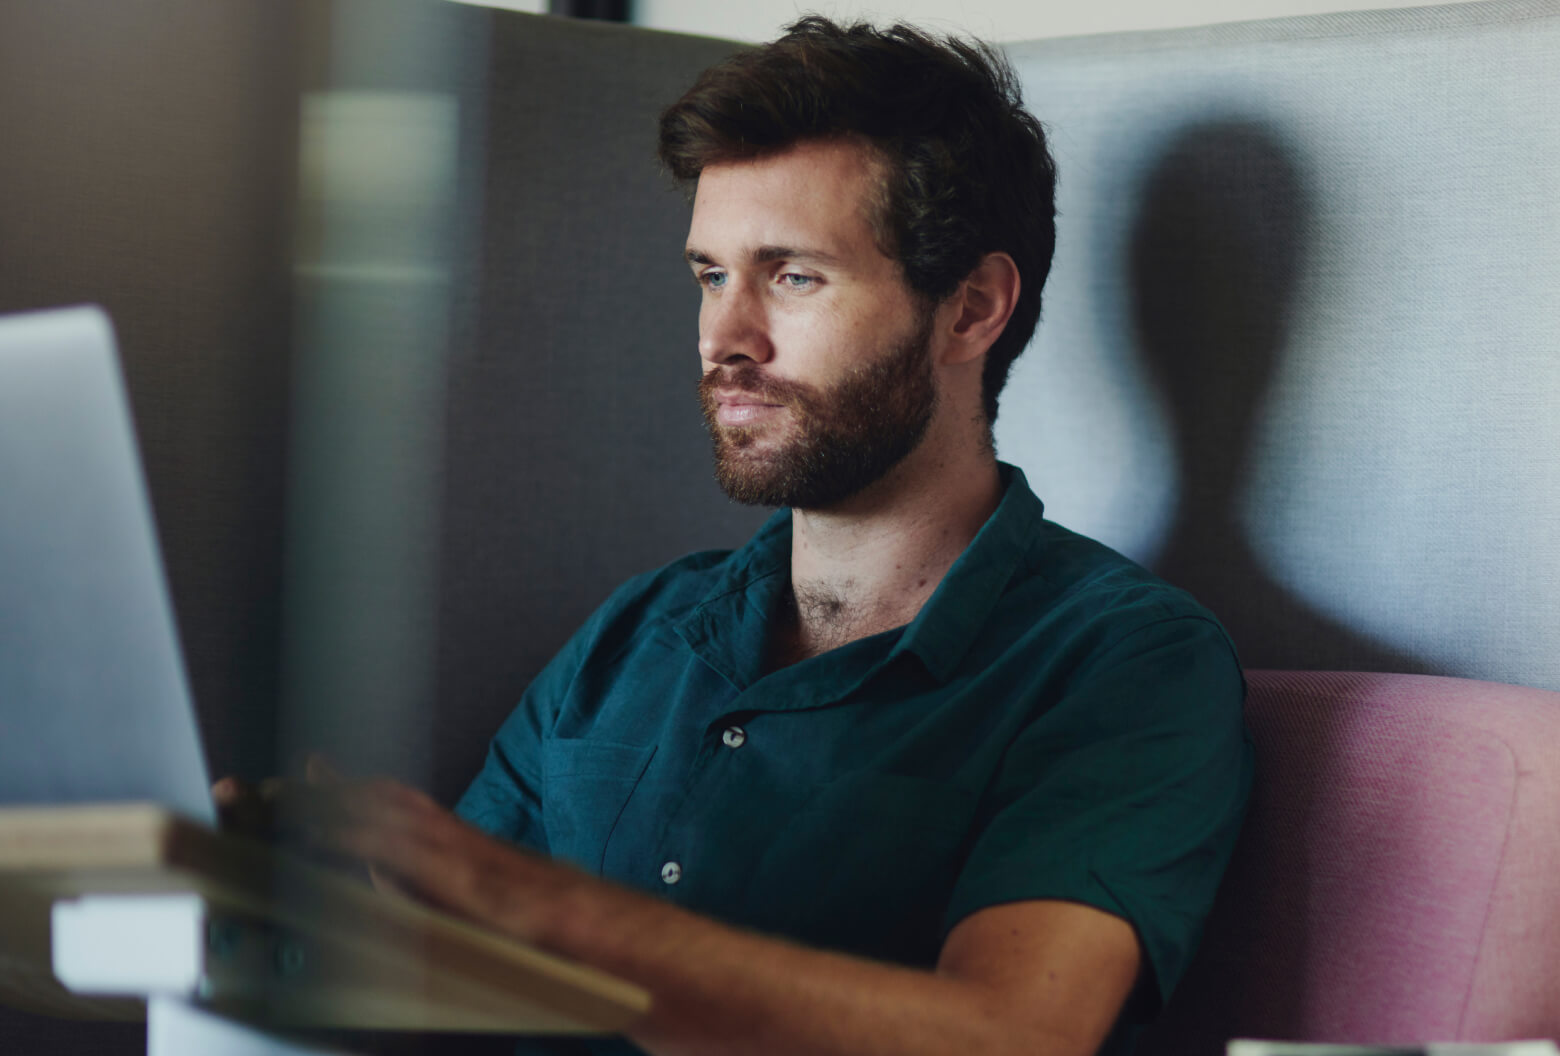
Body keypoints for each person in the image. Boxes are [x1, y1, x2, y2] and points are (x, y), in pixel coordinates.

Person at [222, 18, 1253, 1056]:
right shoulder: (640, 629)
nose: (724, 338)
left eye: (793, 276)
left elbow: (1007, 1039)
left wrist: (533, 903)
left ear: (970, 310)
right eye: (711, 275)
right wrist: (299, 899)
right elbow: (442, 962)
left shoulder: (1123, 662)